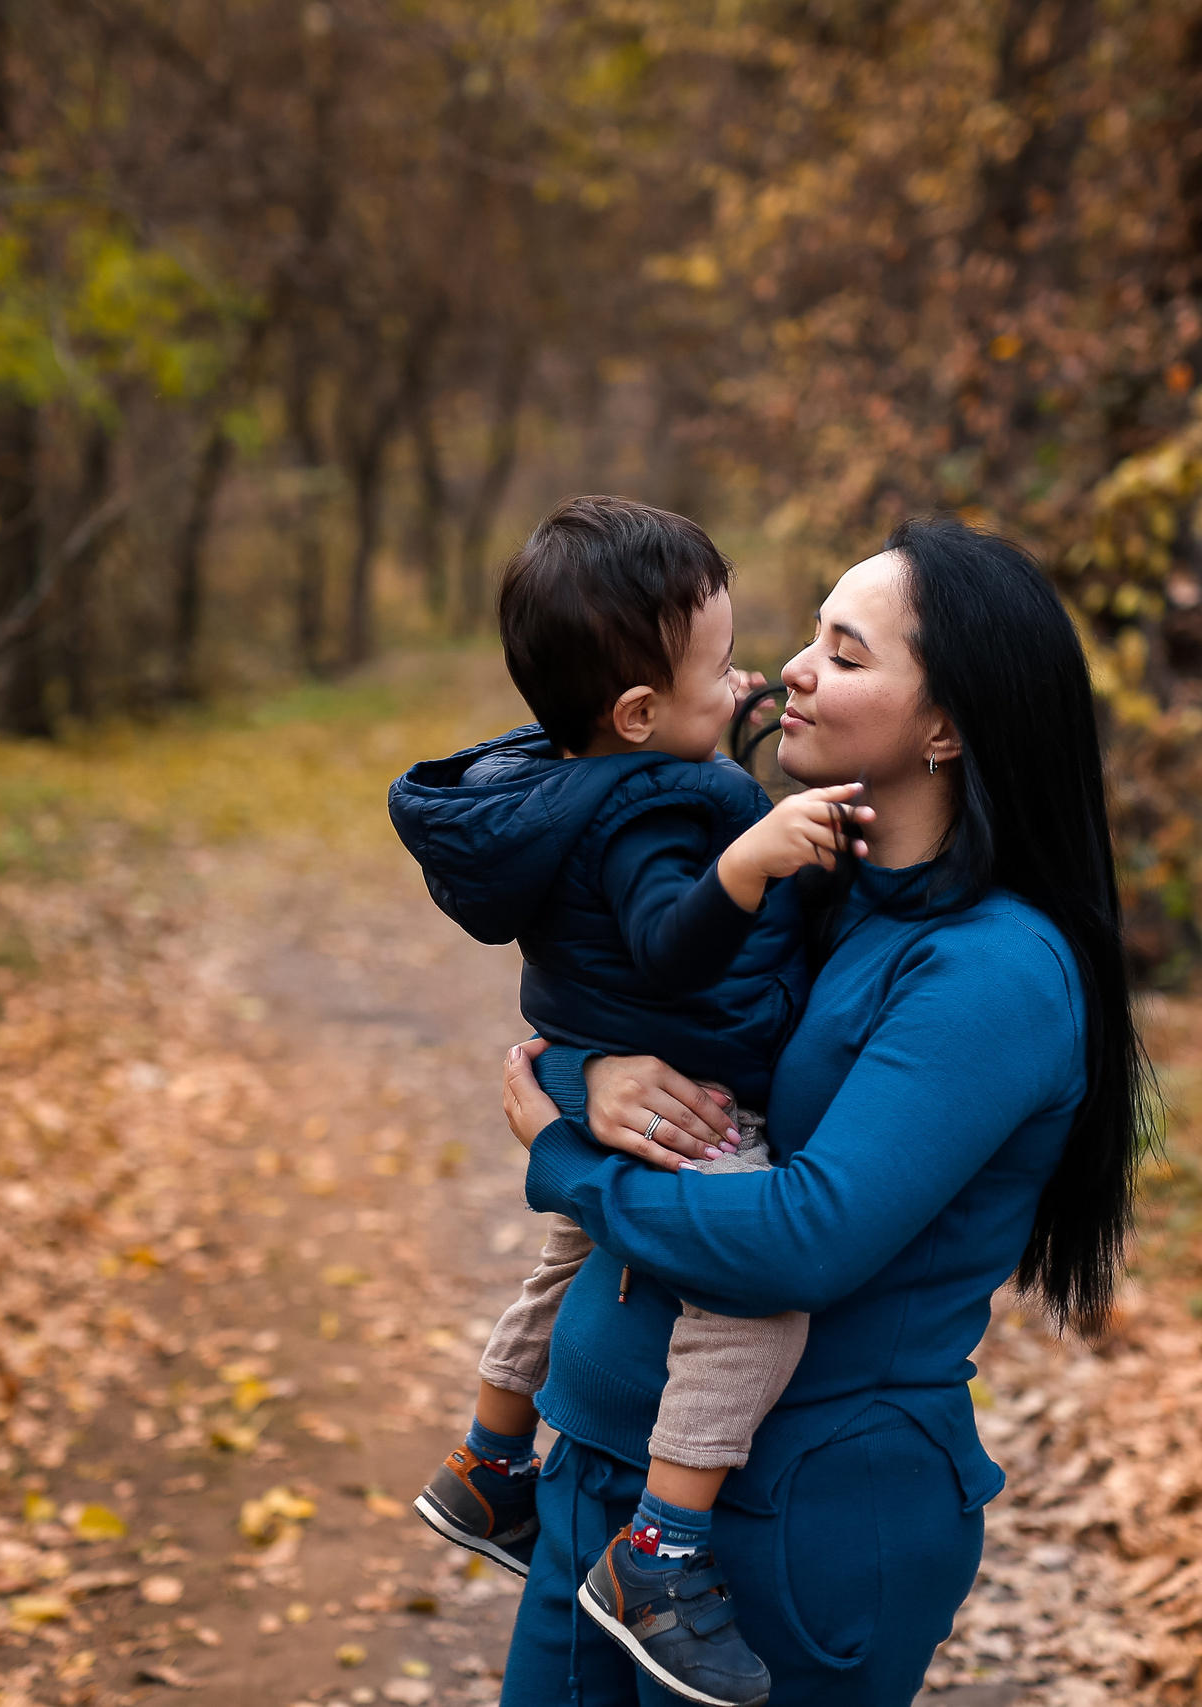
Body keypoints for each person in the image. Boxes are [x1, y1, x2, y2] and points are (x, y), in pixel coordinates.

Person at [491, 515, 1151, 1706]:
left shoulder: (992, 970)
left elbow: (808, 1236)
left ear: (945, 725)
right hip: (599, 1486)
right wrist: (591, 1074)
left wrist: (568, 1157)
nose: (792, 669)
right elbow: (609, 981)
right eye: (810, 638)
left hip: (784, 1527)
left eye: (846, 654)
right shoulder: (809, 882)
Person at [388, 495, 873, 1707]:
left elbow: (629, 880)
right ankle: (661, 1546)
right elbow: (667, 940)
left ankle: (488, 1464)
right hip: (688, 1094)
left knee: (563, 1263)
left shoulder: (570, 781)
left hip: (618, 1059)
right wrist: (750, 860)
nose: (751, 678)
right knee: (751, 1306)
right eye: (723, 667)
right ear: (640, 716)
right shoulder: (662, 811)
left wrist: (724, 721)